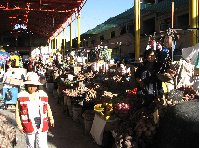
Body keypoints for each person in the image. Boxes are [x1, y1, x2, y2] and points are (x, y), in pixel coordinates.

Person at [15, 72, 54, 148]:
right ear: (26, 85)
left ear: (37, 86)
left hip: (42, 122)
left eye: (34, 85)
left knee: (42, 145)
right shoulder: (21, 96)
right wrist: (19, 125)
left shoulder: (42, 94)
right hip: (28, 123)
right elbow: (17, 111)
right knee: (30, 145)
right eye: (30, 85)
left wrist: (51, 118)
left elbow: (47, 107)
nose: (32, 88)